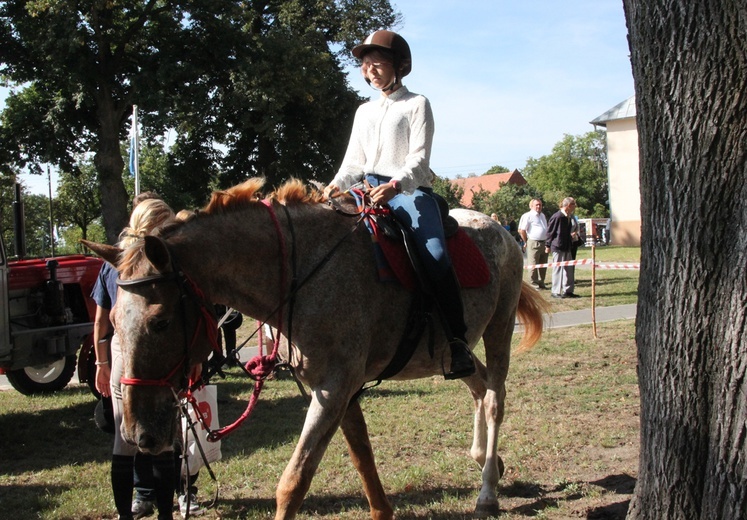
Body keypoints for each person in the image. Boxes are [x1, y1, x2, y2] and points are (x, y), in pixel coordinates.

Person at [323, 30, 474, 380]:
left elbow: (420, 161)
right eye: (365, 64)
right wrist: (334, 185)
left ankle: (458, 341)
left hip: (407, 191)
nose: (370, 69)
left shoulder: (417, 104)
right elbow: (353, 163)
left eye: (378, 63)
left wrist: (395, 185)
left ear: (398, 66)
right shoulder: (363, 112)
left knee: (435, 255)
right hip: (366, 189)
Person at [92, 198, 178, 520]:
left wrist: (102, 362)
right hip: (155, 355)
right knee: (166, 439)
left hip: (121, 353)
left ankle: (126, 516)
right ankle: (166, 515)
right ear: (155, 225)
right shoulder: (163, 262)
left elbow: (102, 321)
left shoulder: (112, 262)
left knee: (123, 439)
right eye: (167, 223)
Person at [545, 197, 580, 299]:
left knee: (569, 269)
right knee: (558, 269)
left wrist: (571, 236)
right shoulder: (557, 216)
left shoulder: (569, 216)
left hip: (567, 246)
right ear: (568, 206)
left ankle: (568, 291)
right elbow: (550, 231)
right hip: (558, 246)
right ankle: (555, 291)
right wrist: (547, 245)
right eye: (574, 204)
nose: (575, 206)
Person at [518, 199, 548, 290]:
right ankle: (533, 283)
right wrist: (526, 241)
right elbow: (521, 230)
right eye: (537, 205)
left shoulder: (542, 215)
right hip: (533, 242)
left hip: (544, 242)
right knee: (533, 264)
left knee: (544, 263)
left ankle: (541, 282)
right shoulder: (528, 215)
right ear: (531, 206)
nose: (539, 207)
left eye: (540, 205)